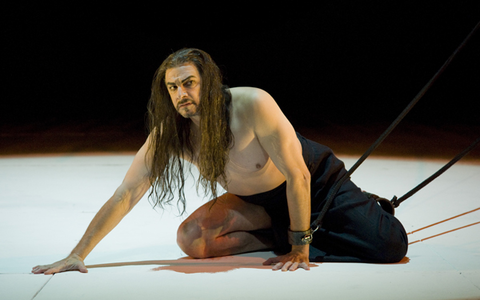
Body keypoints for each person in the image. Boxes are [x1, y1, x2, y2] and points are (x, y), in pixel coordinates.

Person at [32, 48, 407, 274]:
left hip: (315, 181)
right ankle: (296, 226)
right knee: (192, 239)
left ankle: (332, 217)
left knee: (390, 247)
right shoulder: (171, 133)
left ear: (207, 82)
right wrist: (77, 254)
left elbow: (298, 175)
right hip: (260, 203)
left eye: (189, 83)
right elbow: (126, 194)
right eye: (173, 87)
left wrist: (301, 248)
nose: (181, 94)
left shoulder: (252, 104)